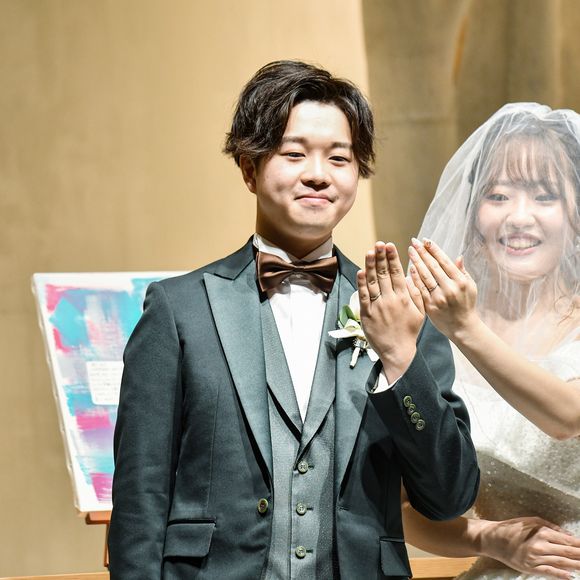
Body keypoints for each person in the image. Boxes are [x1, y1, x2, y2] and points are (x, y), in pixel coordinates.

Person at [107, 60, 479, 579]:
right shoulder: (179, 310)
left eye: (339, 158)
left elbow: (449, 497)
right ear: (249, 167)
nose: (318, 174)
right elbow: (140, 497)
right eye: (294, 154)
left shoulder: (405, 311)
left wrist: (400, 358)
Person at [402, 103, 580, 579]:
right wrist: (491, 539)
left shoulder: (457, 327)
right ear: (473, 212)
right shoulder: (432, 340)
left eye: (544, 197)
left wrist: (464, 328)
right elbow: (401, 508)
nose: (518, 217)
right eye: (497, 196)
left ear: (575, 213)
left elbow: (567, 417)